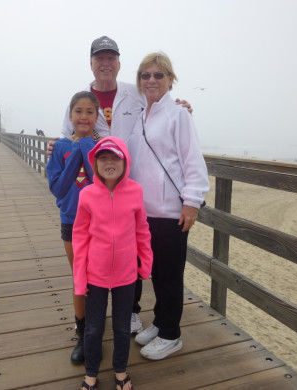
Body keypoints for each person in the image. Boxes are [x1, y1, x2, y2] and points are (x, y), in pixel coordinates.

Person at [56, 35, 193, 336]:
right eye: (99, 58)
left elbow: (161, 109)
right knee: (103, 256)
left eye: (111, 58)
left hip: (131, 192)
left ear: (118, 64)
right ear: (91, 64)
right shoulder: (81, 100)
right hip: (94, 195)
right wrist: (59, 145)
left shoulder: (136, 93)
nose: (105, 64)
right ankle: (92, 325)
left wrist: (181, 105)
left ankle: (130, 312)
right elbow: (68, 138)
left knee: (132, 251)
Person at [128, 52, 210, 361]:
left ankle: (171, 335)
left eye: (158, 75)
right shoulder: (140, 116)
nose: (151, 80)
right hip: (143, 211)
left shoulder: (178, 114)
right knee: (154, 272)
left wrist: (192, 203)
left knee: (170, 275)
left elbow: (192, 161)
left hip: (171, 211)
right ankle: (161, 320)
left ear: (170, 79)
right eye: (145, 75)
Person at [73, 136, 153, 390]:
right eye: (103, 158)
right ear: (94, 163)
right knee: (94, 329)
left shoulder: (135, 191)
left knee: (121, 328)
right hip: (94, 274)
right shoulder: (87, 194)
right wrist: (80, 278)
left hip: (126, 274)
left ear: (125, 161)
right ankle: (91, 374)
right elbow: (80, 237)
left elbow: (142, 230)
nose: (109, 162)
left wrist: (145, 263)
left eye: (114, 157)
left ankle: (120, 371)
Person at [46, 91, 101, 365]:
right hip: (71, 220)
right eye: (78, 111)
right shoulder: (59, 147)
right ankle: (82, 334)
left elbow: (104, 185)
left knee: (100, 279)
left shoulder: (104, 146)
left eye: (90, 111)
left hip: (100, 223)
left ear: (97, 116)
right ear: (70, 115)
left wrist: (87, 149)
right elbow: (58, 188)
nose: (83, 116)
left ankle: (97, 331)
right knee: (80, 278)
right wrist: (76, 151)